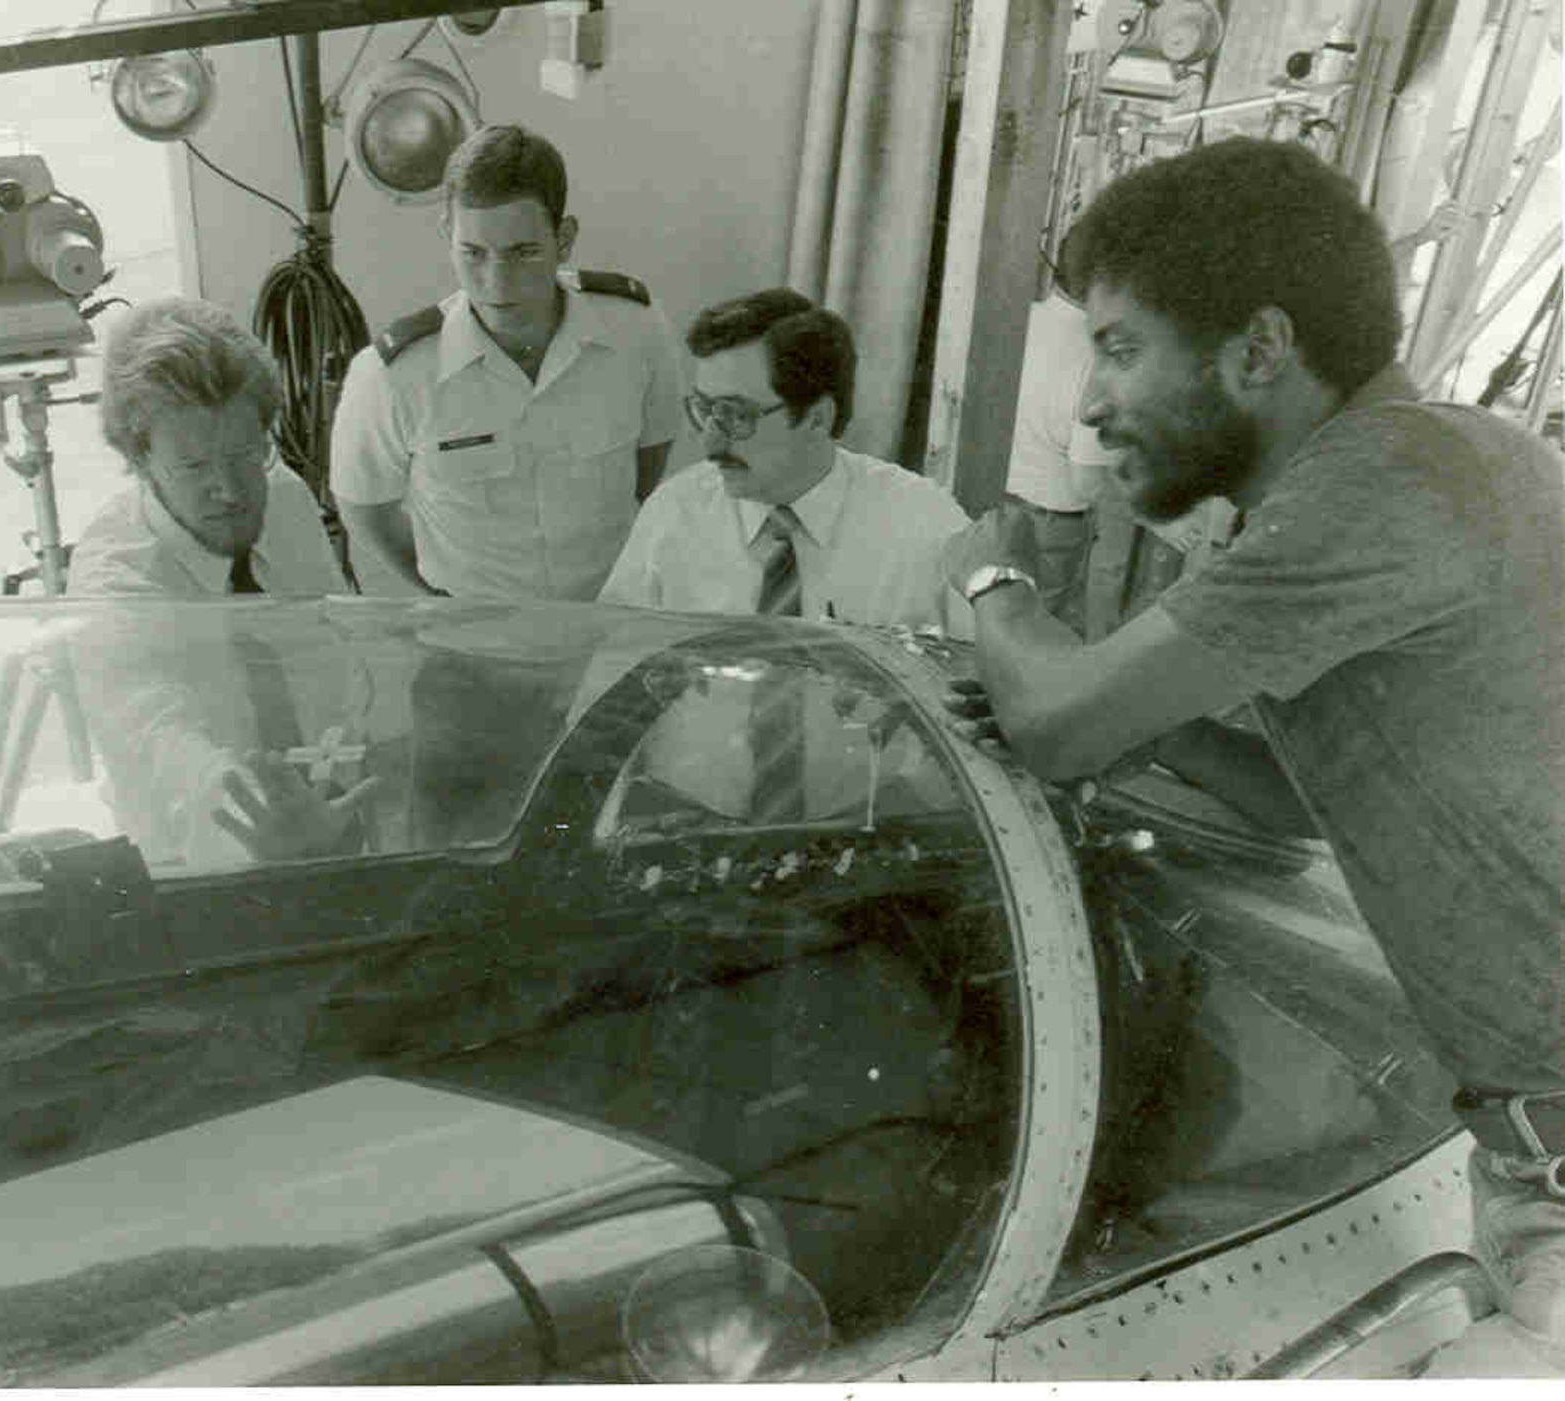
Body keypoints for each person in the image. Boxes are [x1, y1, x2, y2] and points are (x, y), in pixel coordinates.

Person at [939, 137, 1565, 1375]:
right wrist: (1147, 713)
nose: (1087, 405)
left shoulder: (1378, 483)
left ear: (1260, 349)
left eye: (1117, 347)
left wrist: (987, 579)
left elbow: (1058, 726)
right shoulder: (1452, 464)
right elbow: (1303, 810)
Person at [70, 297, 376, 866]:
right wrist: (259, 810)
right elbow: (163, 741)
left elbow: (337, 659)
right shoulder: (113, 582)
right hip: (204, 868)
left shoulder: (281, 493)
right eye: (192, 466)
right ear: (139, 461)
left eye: (244, 455)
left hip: (342, 832)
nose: (230, 490)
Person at [329, 123, 687, 601]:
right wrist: (439, 597)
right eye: (473, 253)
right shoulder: (392, 374)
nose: (497, 283)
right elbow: (363, 507)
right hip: (472, 640)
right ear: (446, 235)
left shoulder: (635, 331)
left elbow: (648, 467)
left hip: (610, 622)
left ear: (564, 239)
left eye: (524, 252)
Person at [599, 288, 971, 630]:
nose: (709, 442)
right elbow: (612, 674)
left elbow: (985, 685)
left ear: (816, 418)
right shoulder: (674, 513)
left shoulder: (926, 526)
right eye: (704, 408)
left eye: (737, 415)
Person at [1004, 232, 1115, 627]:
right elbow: (1087, 482)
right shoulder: (1094, 360)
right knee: (1032, 638)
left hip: (992, 506)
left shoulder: (1014, 320)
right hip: (1049, 528)